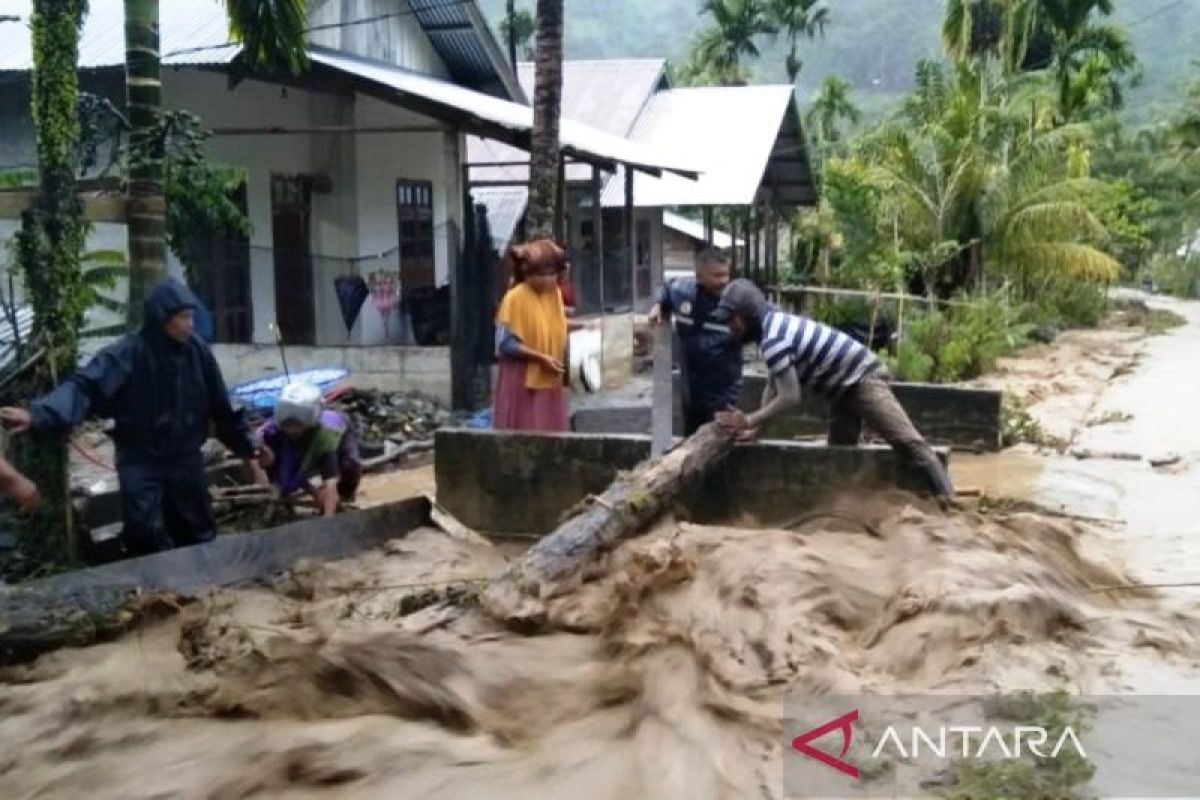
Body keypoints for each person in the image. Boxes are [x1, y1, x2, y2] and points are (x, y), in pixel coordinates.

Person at [0, 277, 261, 557]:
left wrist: (249, 447)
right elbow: (86, 386)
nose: (191, 324)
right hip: (140, 459)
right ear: (163, 319)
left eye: (191, 316)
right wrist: (38, 414)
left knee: (196, 529)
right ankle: (151, 591)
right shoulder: (127, 352)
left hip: (185, 457)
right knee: (143, 532)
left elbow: (222, 406)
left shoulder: (197, 353)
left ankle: (203, 589)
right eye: (184, 317)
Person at [712, 279, 955, 499]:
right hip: (841, 388)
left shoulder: (773, 339)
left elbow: (790, 396)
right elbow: (773, 385)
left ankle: (949, 501)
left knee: (908, 443)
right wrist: (757, 430)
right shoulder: (774, 325)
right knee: (841, 450)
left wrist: (749, 420)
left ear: (748, 314)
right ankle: (850, 502)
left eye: (732, 319)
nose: (730, 326)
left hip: (862, 379)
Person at [647, 248, 740, 434]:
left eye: (726, 275)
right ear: (699, 276)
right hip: (691, 387)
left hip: (723, 391)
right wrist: (658, 304)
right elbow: (665, 287)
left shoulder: (737, 300)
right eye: (717, 276)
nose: (723, 281)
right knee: (690, 438)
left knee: (718, 443)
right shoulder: (683, 292)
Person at [492, 240, 574, 432]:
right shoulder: (515, 298)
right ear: (527, 274)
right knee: (527, 427)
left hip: (550, 374)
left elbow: (551, 324)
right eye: (541, 275)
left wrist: (583, 327)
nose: (547, 280)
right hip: (522, 378)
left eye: (551, 274)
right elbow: (505, 344)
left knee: (550, 427)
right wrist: (540, 358)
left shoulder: (553, 294)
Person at [250, 381, 362, 517]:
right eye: (288, 425)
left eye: (297, 425)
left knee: (351, 464)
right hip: (288, 450)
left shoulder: (325, 436)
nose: (292, 430)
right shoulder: (272, 433)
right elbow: (292, 468)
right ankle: (286, 505)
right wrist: (314, 493)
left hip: (340, 430)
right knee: (284, 476)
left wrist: (329, 518)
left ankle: (345, 497)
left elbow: (330, 482)